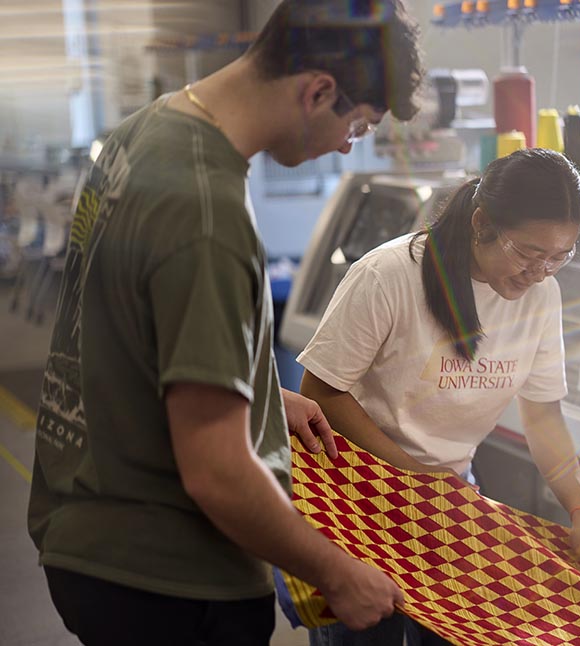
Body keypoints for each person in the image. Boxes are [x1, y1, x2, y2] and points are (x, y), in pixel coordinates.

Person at [27, 1, 423, 644]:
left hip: (86, 532)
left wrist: (262, 396)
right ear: (318, 91)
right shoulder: (207, 210)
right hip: (168, 579)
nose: (347, 145)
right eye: (357, 125)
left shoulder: (140, 134)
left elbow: (134, 326)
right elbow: (216, 471)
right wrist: (337, 572)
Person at [297, 148, 580, 646]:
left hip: (449, 501)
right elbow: (321, 392)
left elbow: (542, 417)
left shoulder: (542, 297)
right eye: (526, 253)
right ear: (481, 223)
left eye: (559, 256)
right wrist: (419, 476)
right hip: (361, 493)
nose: (540, 271)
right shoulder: (390, 275)